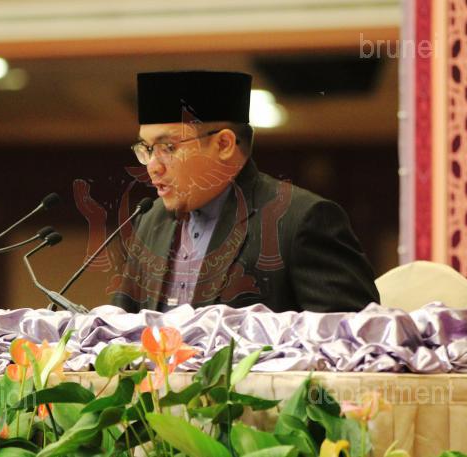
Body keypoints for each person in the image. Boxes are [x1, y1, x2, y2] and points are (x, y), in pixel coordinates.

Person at [110, 70, 380, 313]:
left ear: (224, 144)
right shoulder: (151, 218)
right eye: (146, 149)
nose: (153, 166)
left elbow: (350, 338)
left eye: (168, 148)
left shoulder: (299, 219)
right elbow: (124, 325)